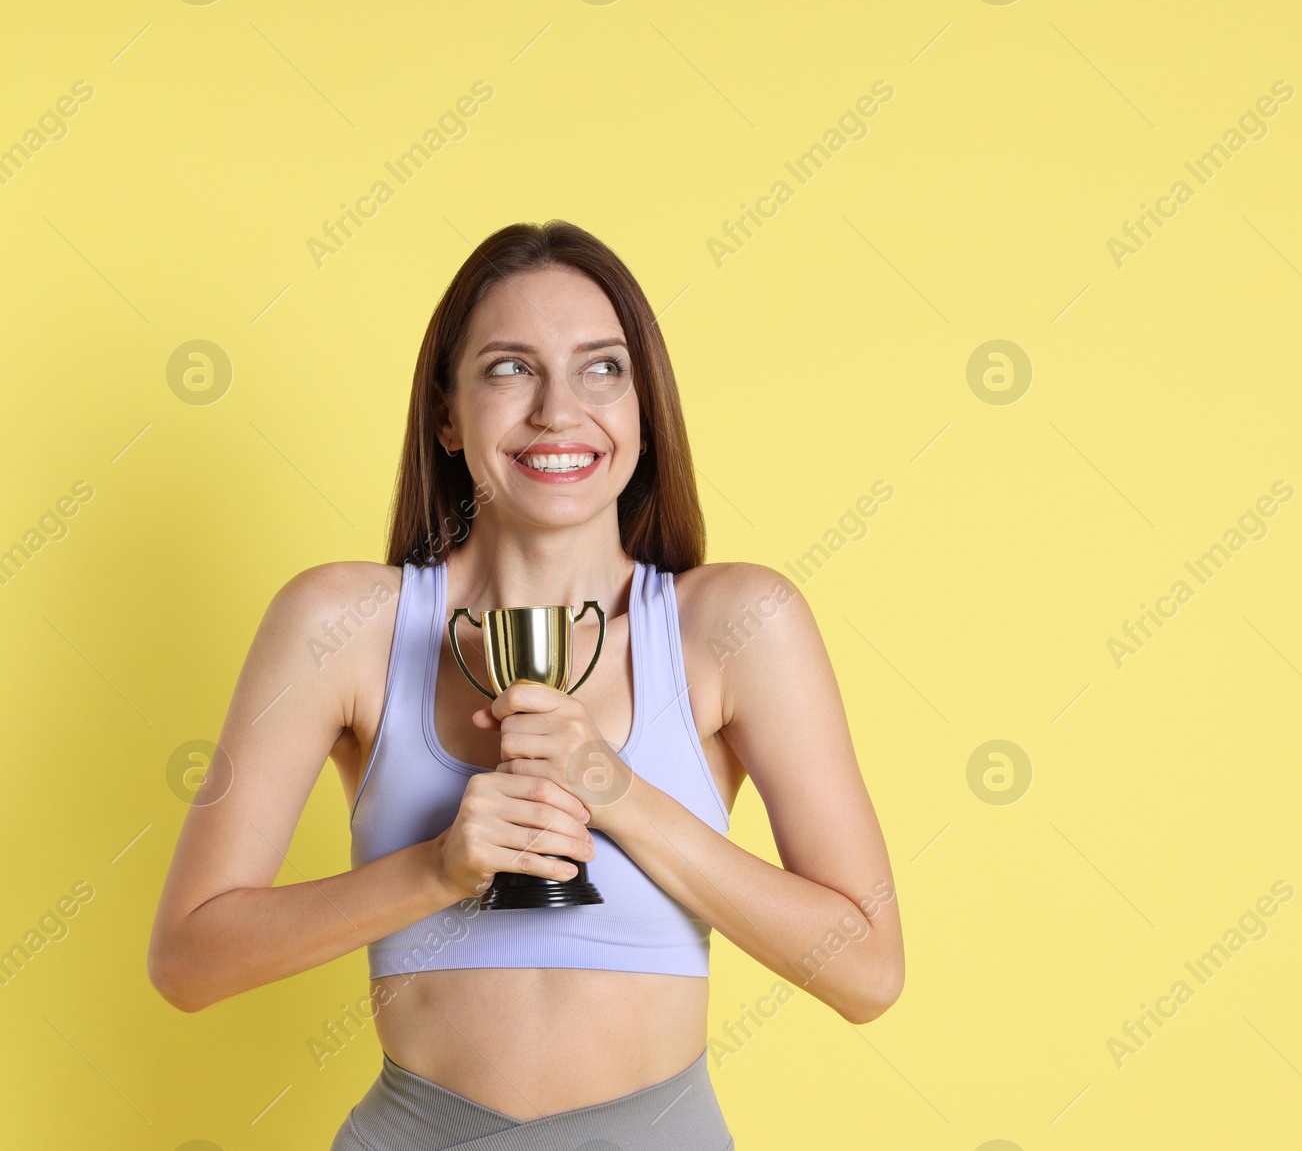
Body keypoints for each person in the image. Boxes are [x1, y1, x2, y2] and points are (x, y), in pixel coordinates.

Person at [146, 221, 904, 1149]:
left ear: (643, 407)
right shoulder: (340, 627)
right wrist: (432, 872)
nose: (558, 411)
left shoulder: (736, 627)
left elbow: (867, 972)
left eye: (601, 368)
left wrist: (617, 794)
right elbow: (189, 960)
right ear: (447, 415)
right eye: (510, 368)